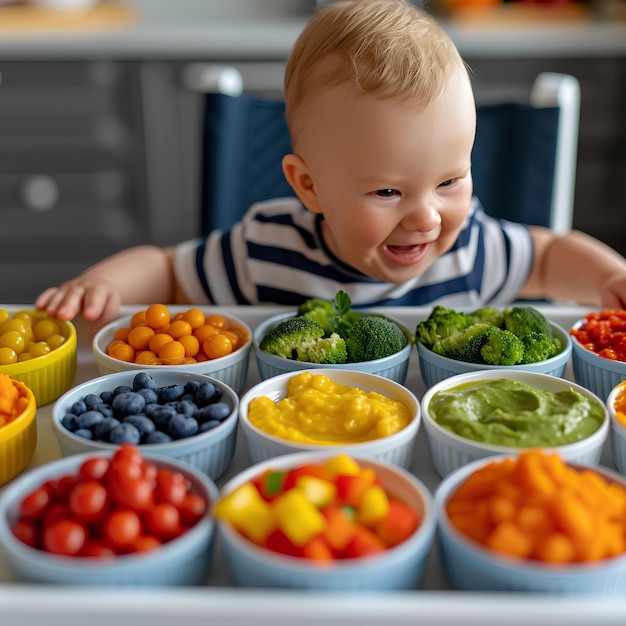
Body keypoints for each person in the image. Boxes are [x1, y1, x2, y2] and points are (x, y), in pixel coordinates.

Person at [36, 0, 626, 336]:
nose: (427, 215)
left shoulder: (473, 247)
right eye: (389, 191)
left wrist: (607, 279)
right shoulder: (266, 247)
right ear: (308, 185)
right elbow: (166, 270)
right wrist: (106, 285)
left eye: (450, 181)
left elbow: (548, 257)